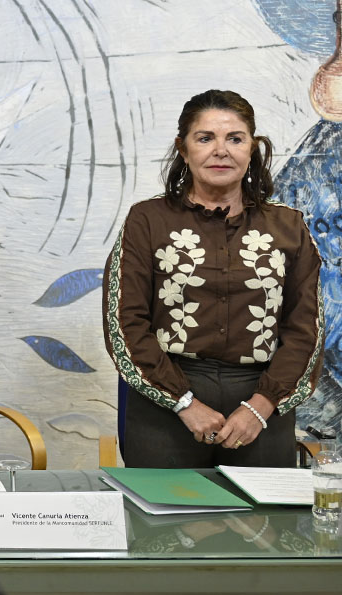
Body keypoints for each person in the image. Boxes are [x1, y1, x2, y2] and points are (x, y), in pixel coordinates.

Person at [103, 89, 323, 468]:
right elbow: (125, 323)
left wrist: (260, 407)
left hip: (262, 405)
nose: (221, 151)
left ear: (252, 148)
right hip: (166, 404)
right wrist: (184, 403)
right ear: (183, 149)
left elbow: (306, 330)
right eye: (205, 138)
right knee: (164, 508)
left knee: (261, 509)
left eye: (235, 139)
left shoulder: (290, 226)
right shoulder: (147, 220)